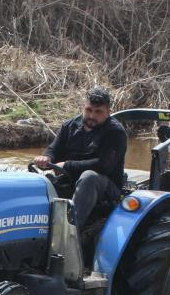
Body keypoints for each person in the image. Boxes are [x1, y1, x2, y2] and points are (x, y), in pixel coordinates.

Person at [33, 86, 127, 230]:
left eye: (98, 112)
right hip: (70, 180)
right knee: (37, 178)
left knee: (89, 177)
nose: (92, 116)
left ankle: (70, 231)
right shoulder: (69, 126)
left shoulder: (115, 133)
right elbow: (54, 149)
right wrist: (46, 158)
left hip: (106, 187)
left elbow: (103, 166)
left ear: (108, 112)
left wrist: (67, 165)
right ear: (83, 107)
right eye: (89, 110)